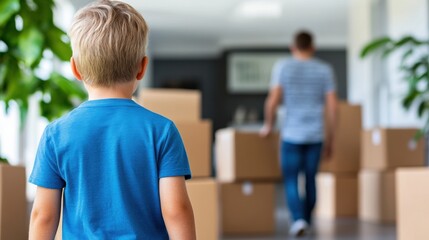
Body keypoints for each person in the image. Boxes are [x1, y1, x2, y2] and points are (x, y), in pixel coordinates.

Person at [28, 1, 196, 239]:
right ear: (142, 67)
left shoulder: (56, 134)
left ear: (75, 69)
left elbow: (43, 215)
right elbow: (176, 210)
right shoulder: (162, 130)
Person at [260, 31, 338, 237]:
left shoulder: (283, 67)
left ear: (292, 47)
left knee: (291, 179)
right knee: (310, 178)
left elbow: (273, 100)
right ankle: (307, 219)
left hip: (291, 134)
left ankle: (298, 219)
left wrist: (268, 124)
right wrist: (331, 138)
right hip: (316, 135)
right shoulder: (324, 70)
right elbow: (333, 107)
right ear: (313, 47)